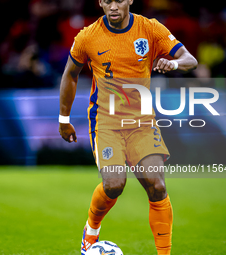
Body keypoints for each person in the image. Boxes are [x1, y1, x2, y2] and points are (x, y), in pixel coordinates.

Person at [59, 0, 198, 254]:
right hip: (107, 122)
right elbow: (70, 73)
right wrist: (64, 119)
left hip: (142, 122)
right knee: (114, 184)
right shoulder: (87, 37)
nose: (113, 6)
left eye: (119, 0)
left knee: (157, 185)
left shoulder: (150, 29)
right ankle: (91, 231)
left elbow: (190, 59)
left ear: (129, 0)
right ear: (100, 2)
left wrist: (174, 64)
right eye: (107, 0)